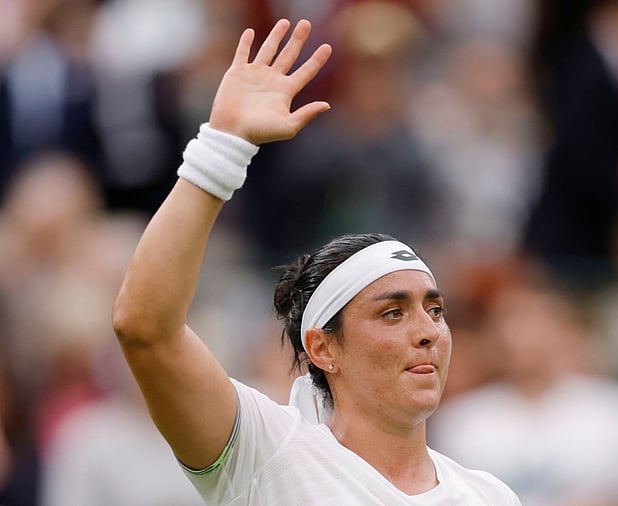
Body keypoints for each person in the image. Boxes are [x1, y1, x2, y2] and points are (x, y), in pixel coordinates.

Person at [111, 18, 520, 505]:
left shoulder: (490, 496)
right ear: (323, 348)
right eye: (393, 313)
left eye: (435, 310)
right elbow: (146, 329)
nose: (428, 331)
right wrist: (222, 145)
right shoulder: (266, 452)